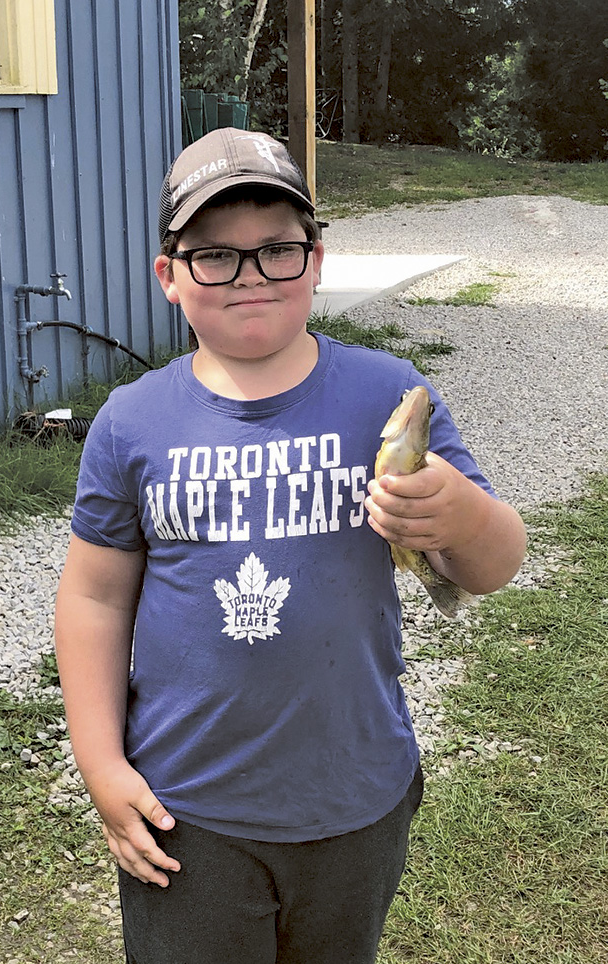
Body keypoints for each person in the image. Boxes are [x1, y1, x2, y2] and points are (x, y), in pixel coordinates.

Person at [54, 127, 526, 964]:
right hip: (184, 808)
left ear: (316, 262)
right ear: (169, 276)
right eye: (214, 256)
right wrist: (101, 764)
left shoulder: (388, 394)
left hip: (354, 796)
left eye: (277, 250)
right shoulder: (130, 422)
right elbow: (94, 598)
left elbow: (492, 567)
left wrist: (459, 517)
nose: (250, 275)